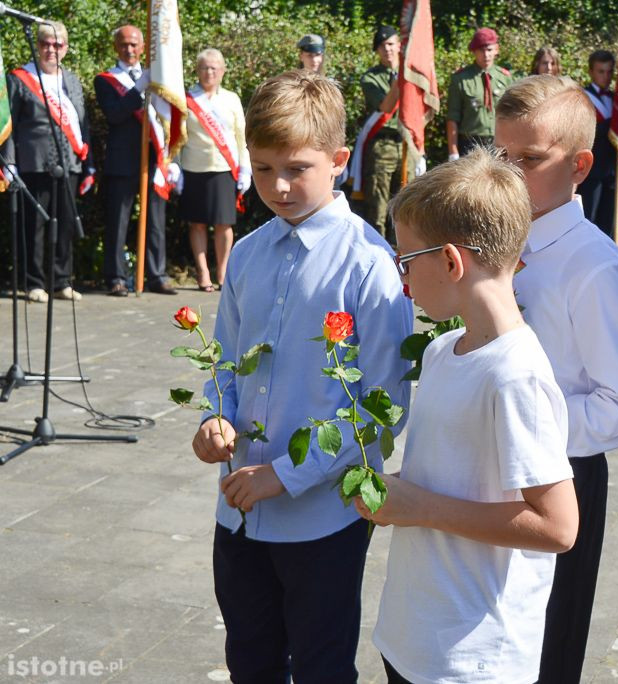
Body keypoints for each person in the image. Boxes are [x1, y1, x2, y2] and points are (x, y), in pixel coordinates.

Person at [191, 70, 412, 682]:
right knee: (251, 660)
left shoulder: (369, 266)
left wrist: (286, 476)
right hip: (238, 512)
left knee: (321, 665)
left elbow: (382, 408)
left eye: (296, 168)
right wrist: (213, 417)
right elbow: (227, 361)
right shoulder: (248, 253)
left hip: (320, 519)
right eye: (262, 169)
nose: (279, 186)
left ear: (339, 160)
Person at [361, 147, 578, 684]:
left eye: (406, 259)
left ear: (452, 261)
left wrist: (418, 506)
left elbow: (558, 526)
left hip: (473, 658)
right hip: (416, 634)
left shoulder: (516, 376)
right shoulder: (442, 350)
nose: (402, 277)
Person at [494, 75, 618, 684]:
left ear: (580, 165)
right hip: (490, 471)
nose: (509, 175)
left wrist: (525, 428)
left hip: (558, 474)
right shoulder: (496, 242)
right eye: (500, 157)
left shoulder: (592, 266)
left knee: (544, 648)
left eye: (529, 160)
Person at [3, 22, 92, 303]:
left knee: (65, 222)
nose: (51, 50)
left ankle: (61, 281)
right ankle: (34, 283)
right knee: (35, 225)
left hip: (69, 163)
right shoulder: (19, 79)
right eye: (46, 44)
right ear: (37, 45)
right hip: (33, 162)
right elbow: (9, 126)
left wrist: (88, 163)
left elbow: (82, 123)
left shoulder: (73, 80)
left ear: (65, 48)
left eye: (58, 45)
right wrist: (10, 163)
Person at [95, 24, 178, 296]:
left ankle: (156, 274)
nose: (129, 49)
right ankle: (116, 277)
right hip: (123, 160)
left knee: (155, 219)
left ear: (143, 47)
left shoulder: (158, 77)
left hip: (154, 158)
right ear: (116, 48)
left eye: (134, 44)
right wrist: (138, 88)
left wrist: (171, 154)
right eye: (124, 45)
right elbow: (115, 114)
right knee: (118, 221)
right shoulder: (106, 80)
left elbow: (169, 117)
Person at [179, 48, 250, 292]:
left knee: (224, 223)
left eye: (214, 68)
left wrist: (245, 169)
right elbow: (177, 136)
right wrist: (175, 168)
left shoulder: (231, 99)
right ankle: (202, 272)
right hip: (194, 167)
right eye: (204, 68)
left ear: (222, 71)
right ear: (197, 71)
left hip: (223, 168)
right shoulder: (187, 98)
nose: (209, 72)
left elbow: (241, 136)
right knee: (196, 223)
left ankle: (223, 272)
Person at [354, 26, 402, 241]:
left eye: (391, 44)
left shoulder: (414, 76)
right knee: (379, 211)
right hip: (383, 146)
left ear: (399, 46)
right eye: (382, 46)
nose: (387, 49)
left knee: (407, 210)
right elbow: (385, 106)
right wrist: (402, 79)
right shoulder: (370, 78)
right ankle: (381, 257)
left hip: (407, 145)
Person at [446, 28, 511, 159]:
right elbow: (452, 118)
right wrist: (453, 151)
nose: (486, 55)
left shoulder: (505, 78)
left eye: (489, 50)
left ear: (496, 50)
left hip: (498, 143)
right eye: (481, 50)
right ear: (474, 51)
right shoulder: (461, 79)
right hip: (470, 144)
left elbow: (511, 114)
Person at [577, 49, 617, 237]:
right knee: (589, 218)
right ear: (591, 72)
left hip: (612, 168)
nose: (606, 76)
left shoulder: (616, 98)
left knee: (607, 219)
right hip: (591, 169)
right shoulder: (583, 98)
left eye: (609, 72)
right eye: (601, 71)